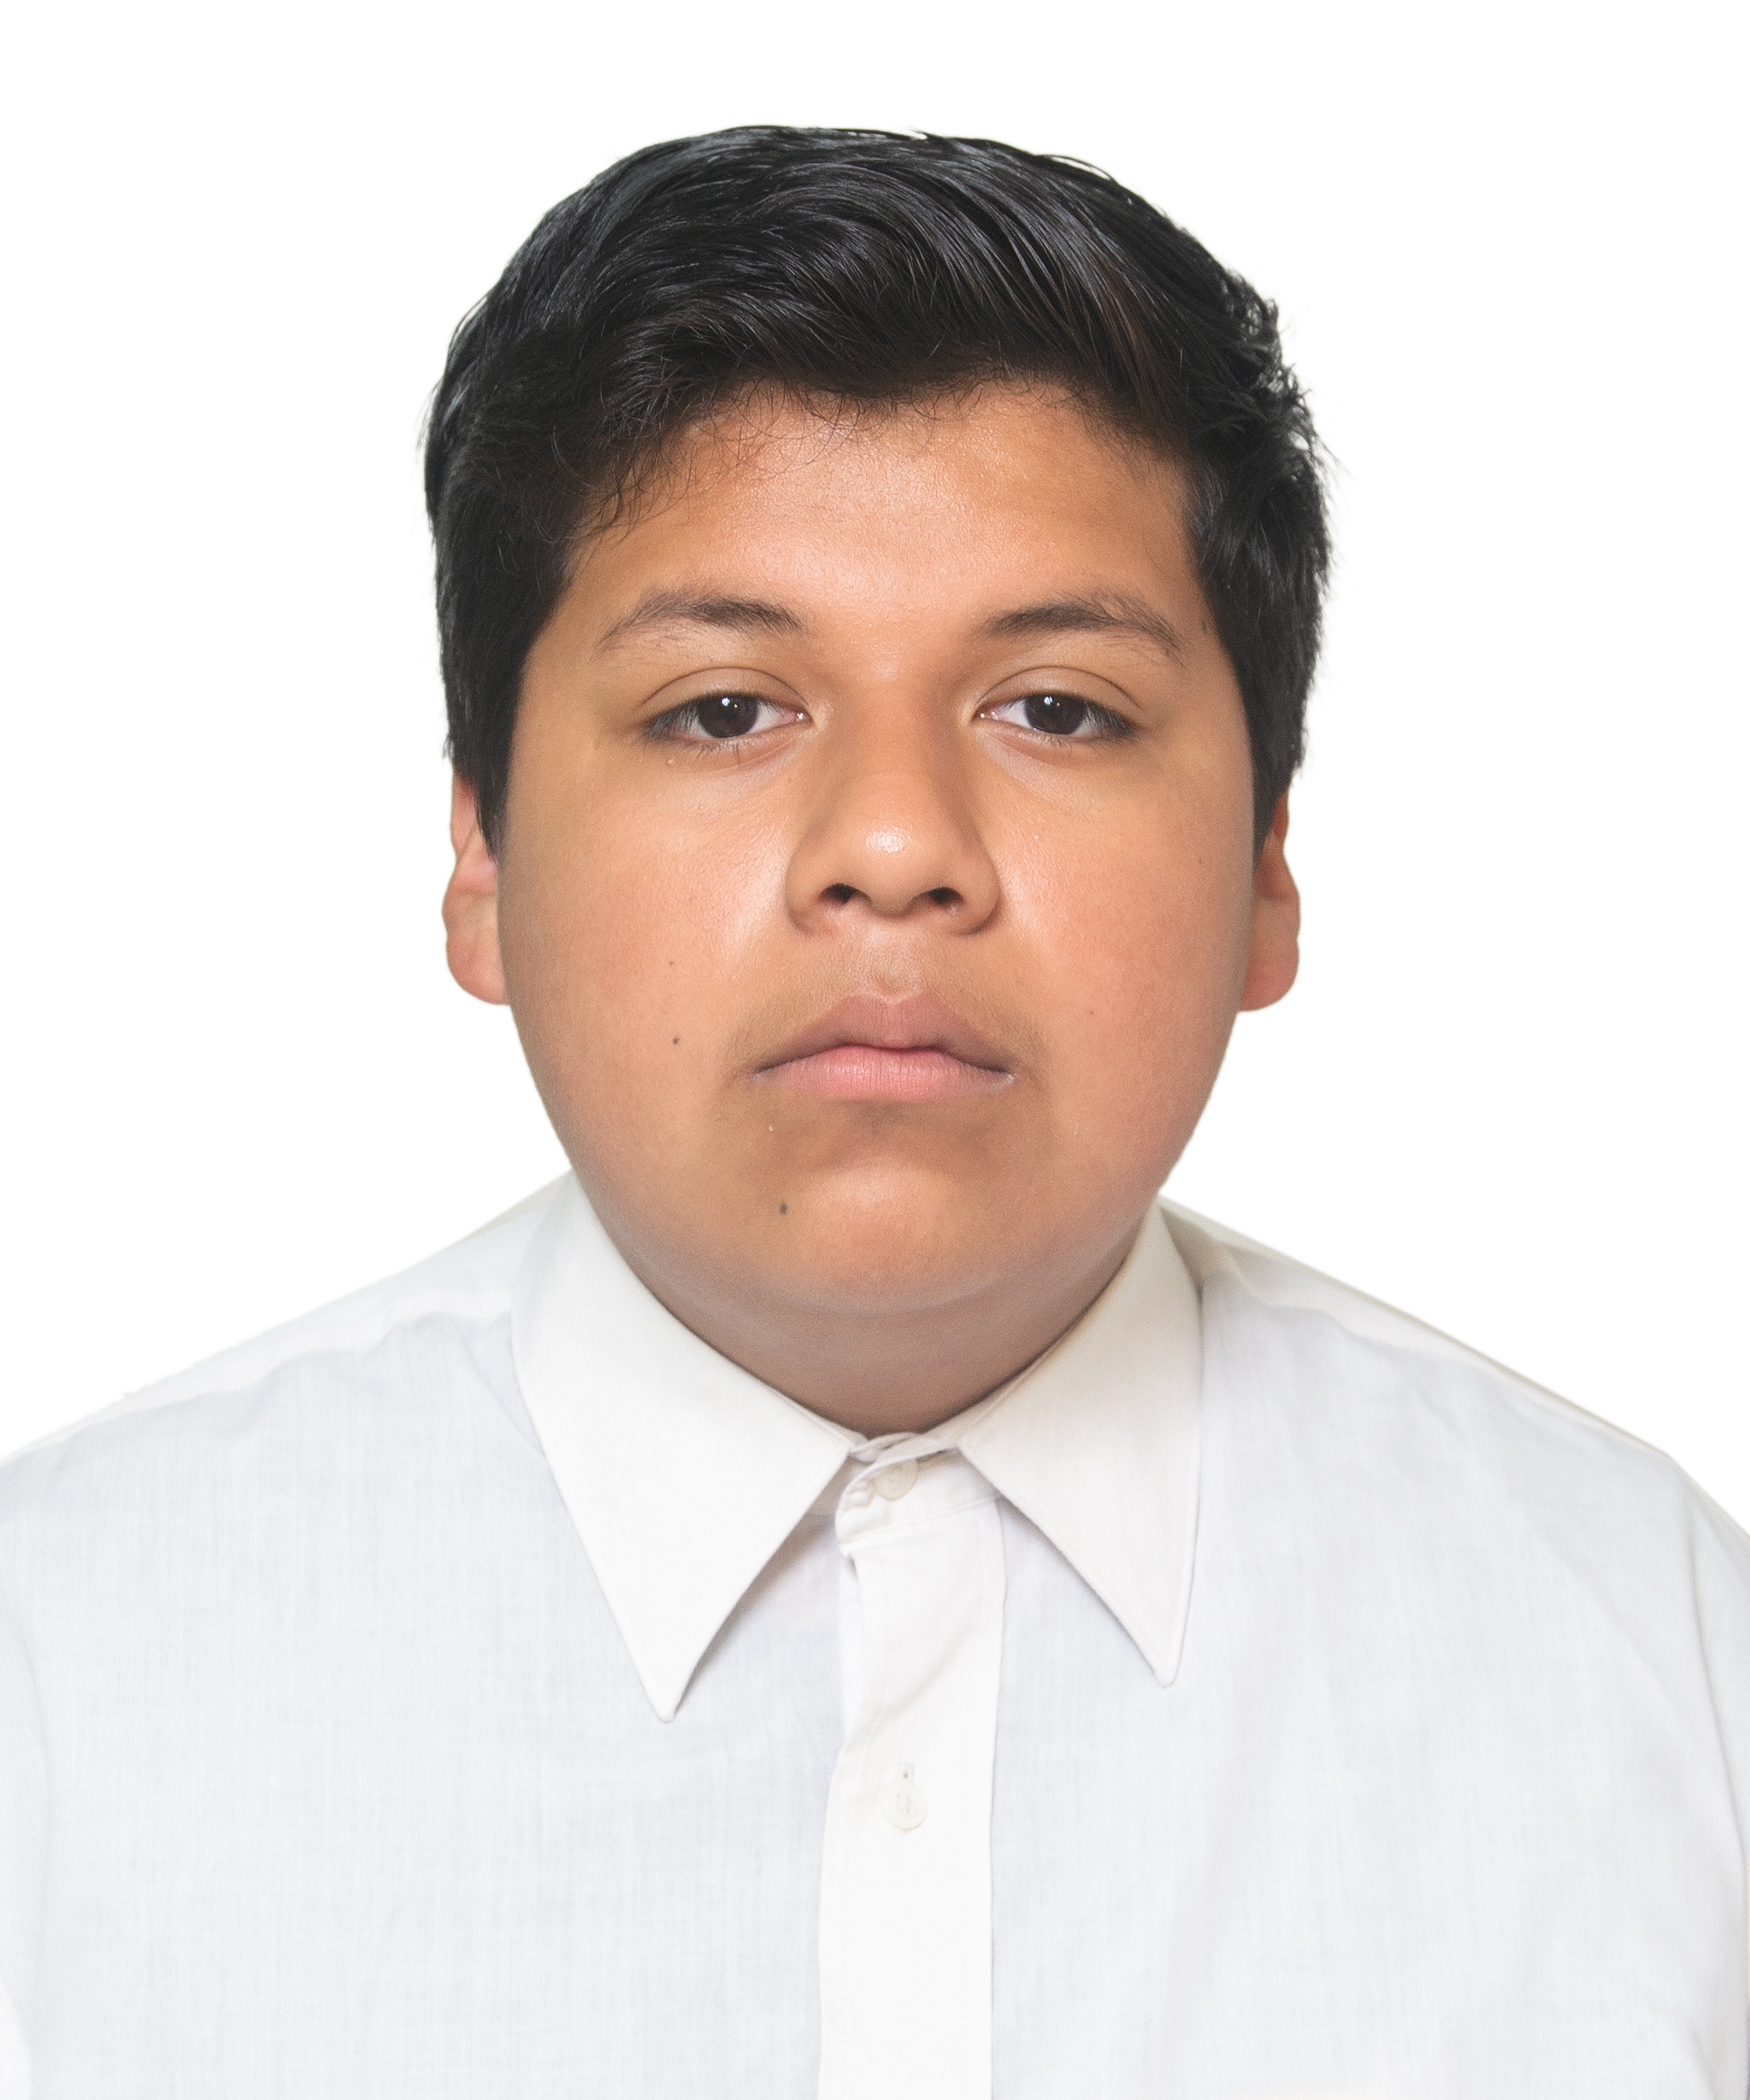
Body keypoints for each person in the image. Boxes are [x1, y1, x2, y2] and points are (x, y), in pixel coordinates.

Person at [0, 126, 1744, 2100]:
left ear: (1265, 866)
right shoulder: (61, 1667)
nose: (895, 846)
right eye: (722, 708)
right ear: (482, 857)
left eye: (1057, 708)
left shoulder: (1660, 1654)